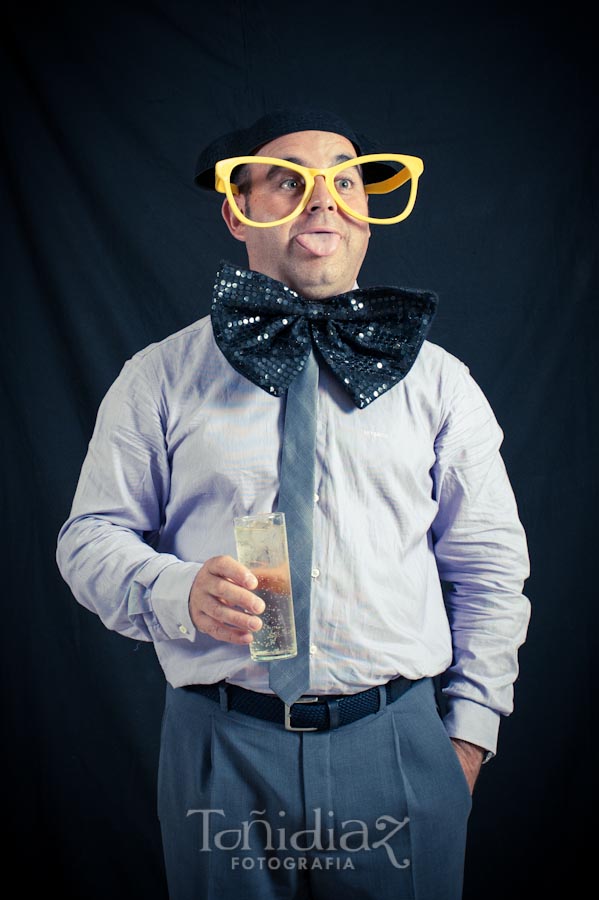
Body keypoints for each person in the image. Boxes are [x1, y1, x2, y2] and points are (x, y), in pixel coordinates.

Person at [56, 107, 530, 900]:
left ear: (369, 213)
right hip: (220, 748)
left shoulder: (440, 383)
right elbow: (89, 538)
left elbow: (488, 567)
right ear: (237, 212)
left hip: (399, 747)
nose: (323, 201)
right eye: (288, 180)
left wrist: (470, 737)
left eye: (345, 180)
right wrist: (178, 591)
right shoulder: (158, 376)